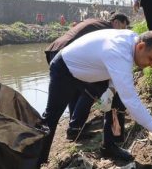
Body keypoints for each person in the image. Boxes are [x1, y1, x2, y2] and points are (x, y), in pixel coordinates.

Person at [38, 30, 152, 165]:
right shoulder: (120, 51)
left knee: (117, 101)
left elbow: (113, 68)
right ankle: (37, 161)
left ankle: (109, 147)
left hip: (92, 70)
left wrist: (110, 90)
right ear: (141, 47)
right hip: (65, 68)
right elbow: (132, 101)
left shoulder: (132, 43)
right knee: (51, 117)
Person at [45, 14, 130, 157]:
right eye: (123, 27)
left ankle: (75, 128)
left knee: (74, 92)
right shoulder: (108, 32)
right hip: (67, 54)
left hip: (56, 52)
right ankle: (104, 141)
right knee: (93, 93)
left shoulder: (96, 22)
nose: (122, 32)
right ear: (115, 22)